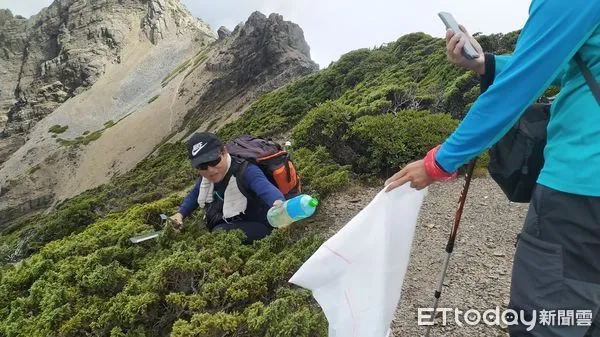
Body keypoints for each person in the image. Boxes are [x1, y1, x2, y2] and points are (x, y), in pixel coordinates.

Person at [385, 2, 599, 336]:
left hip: (582, 189)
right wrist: (487, 64)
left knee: (548, 323)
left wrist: (439, 162)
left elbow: (521, 84)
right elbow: (570, 60)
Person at [171, 132, 284, 243]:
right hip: (236, 221)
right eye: (202, 166)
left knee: (219, 233)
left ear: (224, 152)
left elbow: (266, 189)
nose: (210, 170)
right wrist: (180, 214)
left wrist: (279, 204)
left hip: (262, 224)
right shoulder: (206, 178)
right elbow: (195, 194)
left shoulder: (245, 170)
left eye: (214, 161)